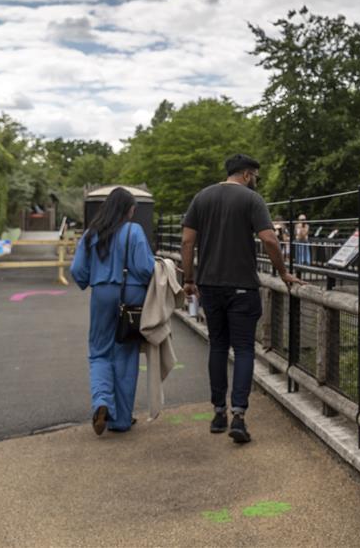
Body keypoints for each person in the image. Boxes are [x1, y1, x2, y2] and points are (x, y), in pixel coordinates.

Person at [181, 154, 303, 444]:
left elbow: (187, 241)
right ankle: (239, 415)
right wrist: (283, 272)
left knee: (218, 346)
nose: (256, 182)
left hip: (210, 285)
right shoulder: (251, 200)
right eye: (256, 177)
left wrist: (189, 279)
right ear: (247, 174)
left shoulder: (202, 197)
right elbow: (269, 239)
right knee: (245, 349)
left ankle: (218, 412)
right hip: (243, 287)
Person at [71, 187, 154, 435]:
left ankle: (102, 401)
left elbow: (77, 271)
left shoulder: (92, 233)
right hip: (131, 296)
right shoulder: (134, 231)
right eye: (132, 208)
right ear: (127, 209)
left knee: (99, 352)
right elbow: (145, 268)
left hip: (102, 294)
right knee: (126, 355)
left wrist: (92, 279)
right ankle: (121, 420)